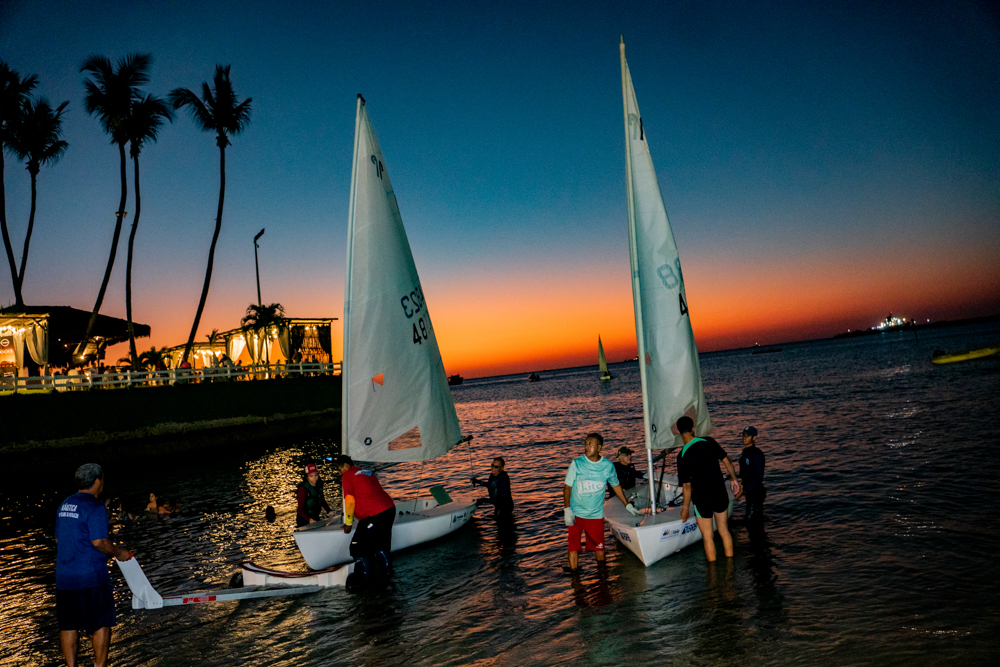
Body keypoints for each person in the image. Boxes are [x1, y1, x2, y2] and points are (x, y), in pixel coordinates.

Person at [55, 463, 132, 667]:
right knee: (101, 622)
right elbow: (100, 542)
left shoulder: (65, 504)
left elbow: (59, 540)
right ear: (97, 481)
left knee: (69, 625)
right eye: (103, 480)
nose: (103, 484)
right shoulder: (95, 506)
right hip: (91, 577)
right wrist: (119, 553)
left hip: (64, 578)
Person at [563, 433, 642, 570]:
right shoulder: (576, 464)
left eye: (590, 444)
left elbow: (616, 485)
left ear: (599, 448)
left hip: (595, 515)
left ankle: (602, 576)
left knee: (599, 547)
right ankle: (574, 578)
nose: (586, 447)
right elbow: (567, 487)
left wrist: (627, 505)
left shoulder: (607, 466)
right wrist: (567, 509)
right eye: (585, 443)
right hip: (576, 514)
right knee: (573, 547)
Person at [675, 416, 741, 562]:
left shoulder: (682, 456)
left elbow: (686, 486)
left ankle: (713, 573)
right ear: (693, 429)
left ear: (679, 432)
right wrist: (734, 479)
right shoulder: (708, 441)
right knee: (724, 530)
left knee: (707, 537)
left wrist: (685, 508)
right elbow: (726, 461)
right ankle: (731, 568)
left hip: (702, 498)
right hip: (719, 493)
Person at [334, 454, 396, 592]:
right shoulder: (366, 471)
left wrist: (348, 523)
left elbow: (349, 500)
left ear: (345, 466)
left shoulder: (348, 475)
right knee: (381, 545)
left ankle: (365, 580)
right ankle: (388, 576)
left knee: (357, 548)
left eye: (339, 469)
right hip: (389, 509)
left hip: (375, 515)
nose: (339, 473)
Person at [736, 426, 766, 528]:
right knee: (751, 520)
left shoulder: (757, 454)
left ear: (754, 438)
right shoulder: (745, 452)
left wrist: (744, 489)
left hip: (756, 492)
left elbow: (758, 478)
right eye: (743, 435)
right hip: (750, 492)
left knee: (753, 522)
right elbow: (745, 473)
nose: (744, 438)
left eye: (747, 436)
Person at [471, 457, 514, 524]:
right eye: (492, 465)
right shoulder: (492, 475)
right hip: (498, 506)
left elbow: (500, 499)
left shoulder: (503, 479)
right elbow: (491, 485)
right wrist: (478, 482)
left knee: (503, 526)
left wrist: (484, 500)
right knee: (497, 523)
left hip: (505, 507)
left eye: (496, 467)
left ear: (501, 468)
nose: (493, 468)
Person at [296, 463, 332, 527]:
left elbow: (322, 500)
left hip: (315, 516)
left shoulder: (319, 486)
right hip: (304, 520)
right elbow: (300, 510)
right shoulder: (303, 489)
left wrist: (329, 511)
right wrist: (309, 519)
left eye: (316, 475)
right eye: (311, 476)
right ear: (307, 477)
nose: (314, 478)